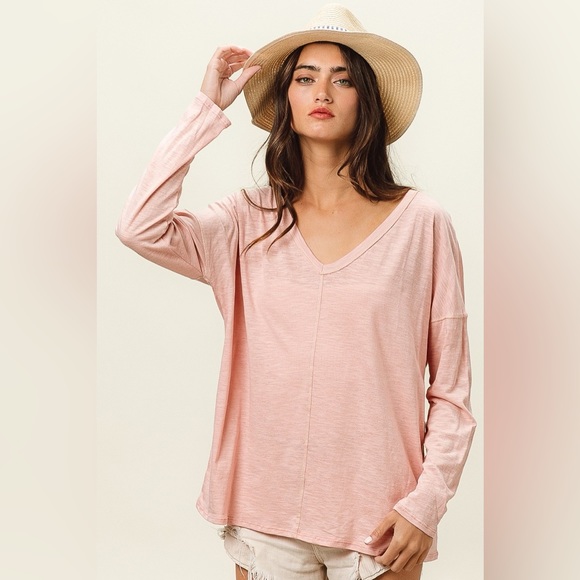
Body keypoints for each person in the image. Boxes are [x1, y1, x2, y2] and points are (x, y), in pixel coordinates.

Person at [116, 4, 476, 579]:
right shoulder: (245, 221)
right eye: (305, 78)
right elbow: (139, 227)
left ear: (367, 100)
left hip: (381, 518)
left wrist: (428, 502)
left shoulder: (421, 223)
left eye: (343, 79)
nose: (322, 92)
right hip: (265, 514)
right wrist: (206, 108)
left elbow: (452, 391)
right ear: (286, 98)